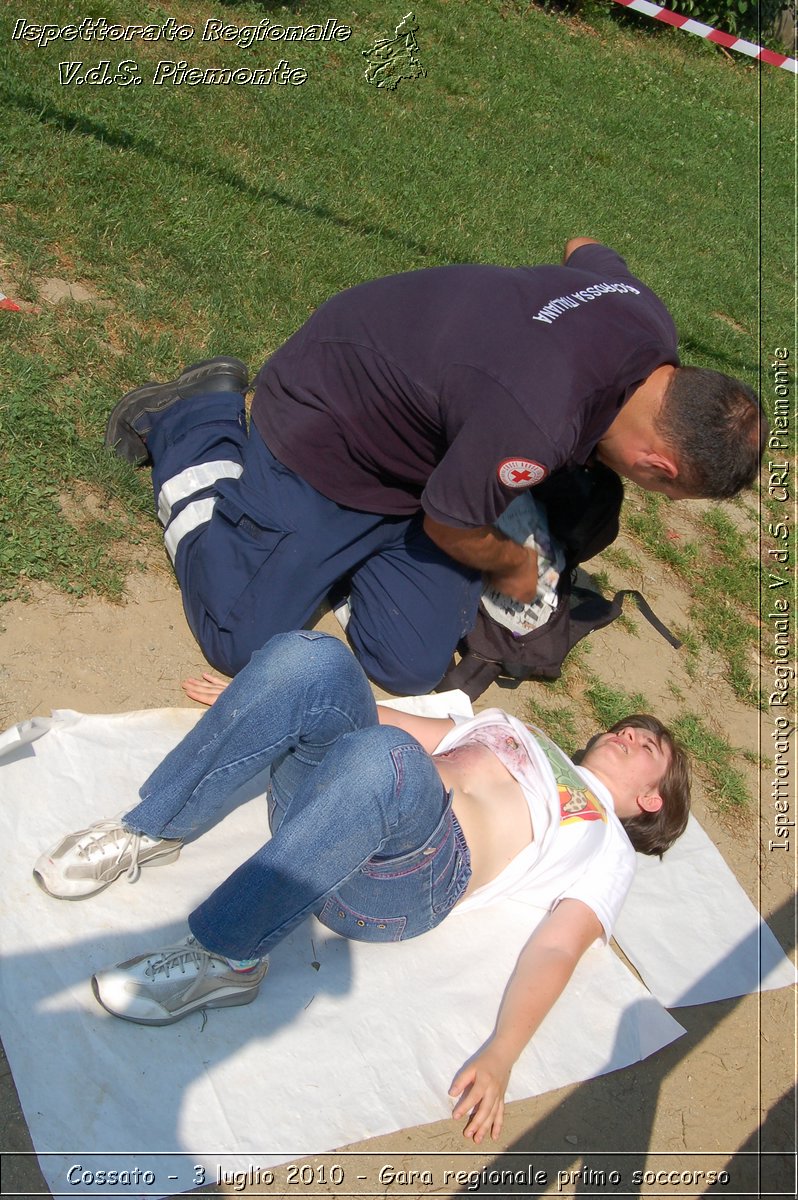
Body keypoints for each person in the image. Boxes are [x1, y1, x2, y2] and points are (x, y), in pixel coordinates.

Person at [34, 631, 690, 1143]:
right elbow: (399, 725)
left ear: (652, 799)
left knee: (389, 763)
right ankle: (151, 829)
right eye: (633, 726)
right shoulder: (525, 732)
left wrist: (501, 1052)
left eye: (649, 745)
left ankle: (227, 955)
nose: (632, 731)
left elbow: (557, 949)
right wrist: (270, 694)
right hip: (339, 805)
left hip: (405, 878)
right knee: (311, 656)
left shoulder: (606, 843)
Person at [103, 242, 763, 696]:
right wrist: (510, 565)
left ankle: (328, 556)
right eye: (658, 489)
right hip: (328, 429)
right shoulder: (538, 420)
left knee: (410, 664)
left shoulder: (646, 318)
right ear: (659, 463)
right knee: (237, 640)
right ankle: (196, 417)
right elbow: (453, 527)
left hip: (425, 464)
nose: (643, 490)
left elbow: (583, 245)